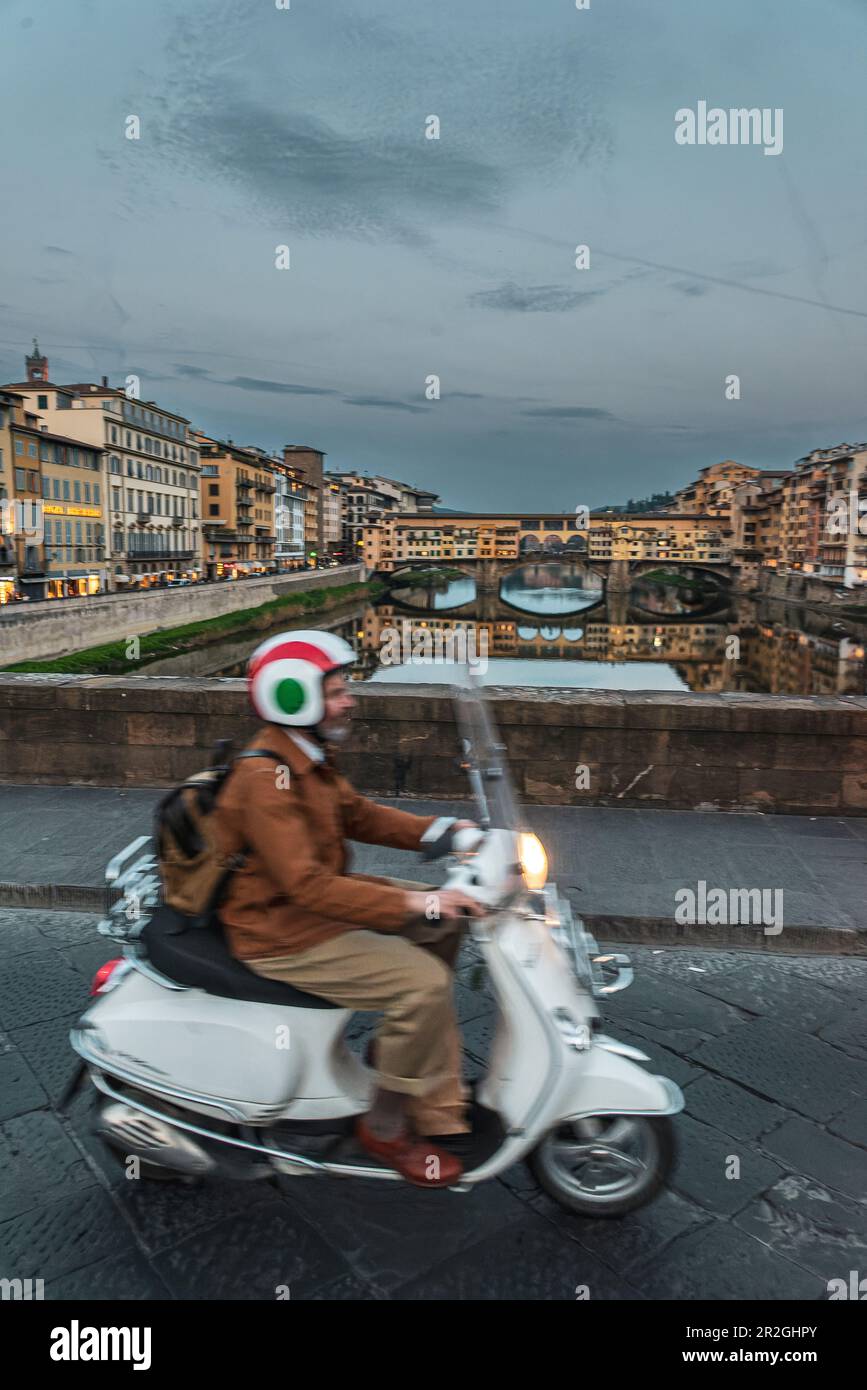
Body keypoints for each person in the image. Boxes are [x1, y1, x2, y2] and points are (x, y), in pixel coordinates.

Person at [214, 629, 485, 1187]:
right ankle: (385, 1126)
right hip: (281, 930)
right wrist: (420, 898)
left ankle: (411, 1077)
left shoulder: (305, 755)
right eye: (337, 691)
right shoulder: (265, 777)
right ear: (294, 698)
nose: (350, 700)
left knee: (444, 927)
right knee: (423, 985)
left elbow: (358, 815)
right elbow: (308, 887)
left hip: (313, 903)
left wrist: (448, 833)